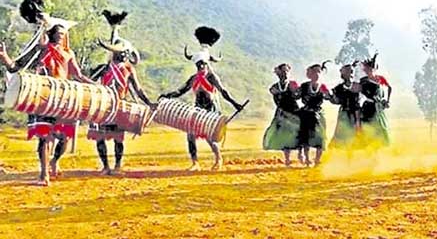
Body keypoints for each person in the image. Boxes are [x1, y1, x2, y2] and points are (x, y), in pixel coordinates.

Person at [0, 0, 94, 185]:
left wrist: (95, 86)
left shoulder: (69, 53)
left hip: (64, 98)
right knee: (44, 136)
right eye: (58, 31)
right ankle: (44, 174)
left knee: (65, 138)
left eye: (63, 31)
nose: (61, 33)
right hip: (43, 97)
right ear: (51, 33)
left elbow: (78, 75)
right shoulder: (41, 50)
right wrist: (4, 57)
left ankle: (54, 161)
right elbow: (14, 67)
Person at [160, 26, 244, 171]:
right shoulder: (193, 78)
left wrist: (235, 104)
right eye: (198, 65)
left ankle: (218, 160)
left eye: (203, 64)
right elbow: (181, 91)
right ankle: (195, 163)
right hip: (198, 109)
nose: (201, 67)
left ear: (207, 64)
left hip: (211, 110)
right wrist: (168, 95)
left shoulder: (212, 77)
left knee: (210, 137)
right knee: (190, 136)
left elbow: (223, 92)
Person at [87, 10, 156, 175]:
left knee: (118, 138)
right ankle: (105, 166)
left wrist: (148, 103)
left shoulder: (128, 69)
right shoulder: (104, 68)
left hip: (119, 106)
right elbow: (89, 82)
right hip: (103, 106)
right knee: (100, 137)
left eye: (125, 53)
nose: (124, 55)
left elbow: (137, 89)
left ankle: (117, 165)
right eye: (121, 52)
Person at [262, 63, 302, 166]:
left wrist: (296, 92)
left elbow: (298, 96)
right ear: (278, 73)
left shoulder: (293, 84)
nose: (285, 73)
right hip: (282, 113)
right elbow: (274, 95)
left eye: (287, 71)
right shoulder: (274, 87)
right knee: (284, 134)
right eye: (283, 71)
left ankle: (300, 154)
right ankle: (287, 159)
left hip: (294, 111)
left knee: (298, 132)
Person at [298, 61, 332, 166]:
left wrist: (328, 94)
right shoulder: (304, 86)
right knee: (305, 137)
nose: (317, 74)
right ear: (310, 73)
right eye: (314, 72)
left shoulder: (323, 87)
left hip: (318, 113)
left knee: (320, 137)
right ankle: (307, 158)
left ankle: (317, 159)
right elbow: (296, 96)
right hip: (306, 113)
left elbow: (329, 98)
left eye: (319, 72)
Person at [357, 54, 392, 148]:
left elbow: (389, 87)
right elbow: (358, 93)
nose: (369, 70)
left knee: (380, 128)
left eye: (370, 68)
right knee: (368, 128)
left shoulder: (380, 78)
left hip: (379, 107)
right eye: (367, 69)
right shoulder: (363, 81)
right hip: (368, 107)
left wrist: (387, 101)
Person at [329, 62, 361, 149]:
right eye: (347, 71)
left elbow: (361, 100)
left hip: (355, 114)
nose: (350, 73)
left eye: (351, 71)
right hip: (344, 114)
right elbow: (337, 101)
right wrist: (330, 97)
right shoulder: (338, 88)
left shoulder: (358, 86)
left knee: (355, 135)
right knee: (341, 135)